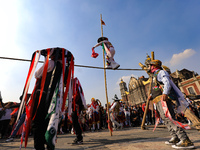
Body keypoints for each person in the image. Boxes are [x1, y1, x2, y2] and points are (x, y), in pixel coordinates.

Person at [146, 59, 194, 149]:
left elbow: (166, 82)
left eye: (149, 65)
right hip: (157, 100)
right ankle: (175, 137)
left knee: (170, 118)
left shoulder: (160, 72)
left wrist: (165, 93)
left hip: (162, 99)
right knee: (165, 119)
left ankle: (185, 139)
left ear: (153, 66)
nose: (148, 67)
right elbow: (156, 87)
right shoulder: (154, 76)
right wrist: (151, 95)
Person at [69, 77, 87, 144]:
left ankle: (79, 138)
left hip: (76, 105)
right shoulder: (74, 86)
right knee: (74, 121)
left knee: (75, 121)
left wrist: (73, 100)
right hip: (74, 105)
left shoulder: (76, 86)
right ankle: (78, 137)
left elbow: (77, 95)